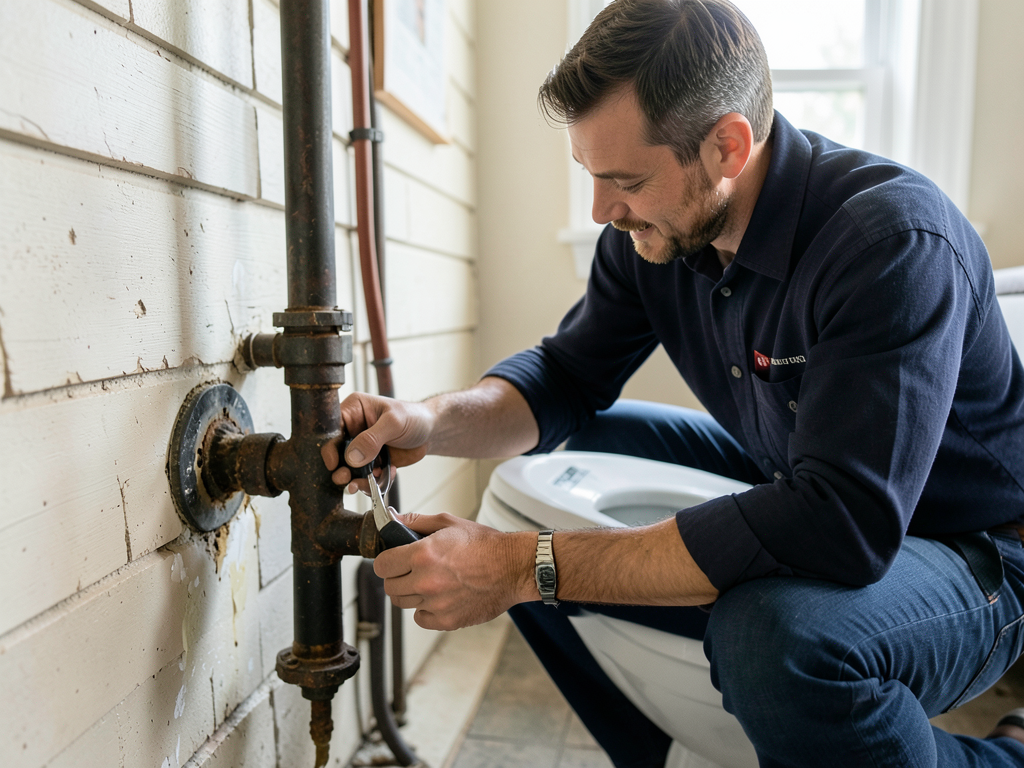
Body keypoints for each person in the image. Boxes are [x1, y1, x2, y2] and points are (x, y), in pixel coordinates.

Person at [322, 1, 1024, 765]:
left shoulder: (890, 243)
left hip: (976, 549)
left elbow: (840, 528)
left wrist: (523, 566)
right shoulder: (651, 232)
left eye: (625, 180)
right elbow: (565, 378)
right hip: (799, 477)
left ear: (728, 145)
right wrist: (427, 421)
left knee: (770, 638)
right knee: (537, 474)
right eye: (590, 177)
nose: (602, 210)